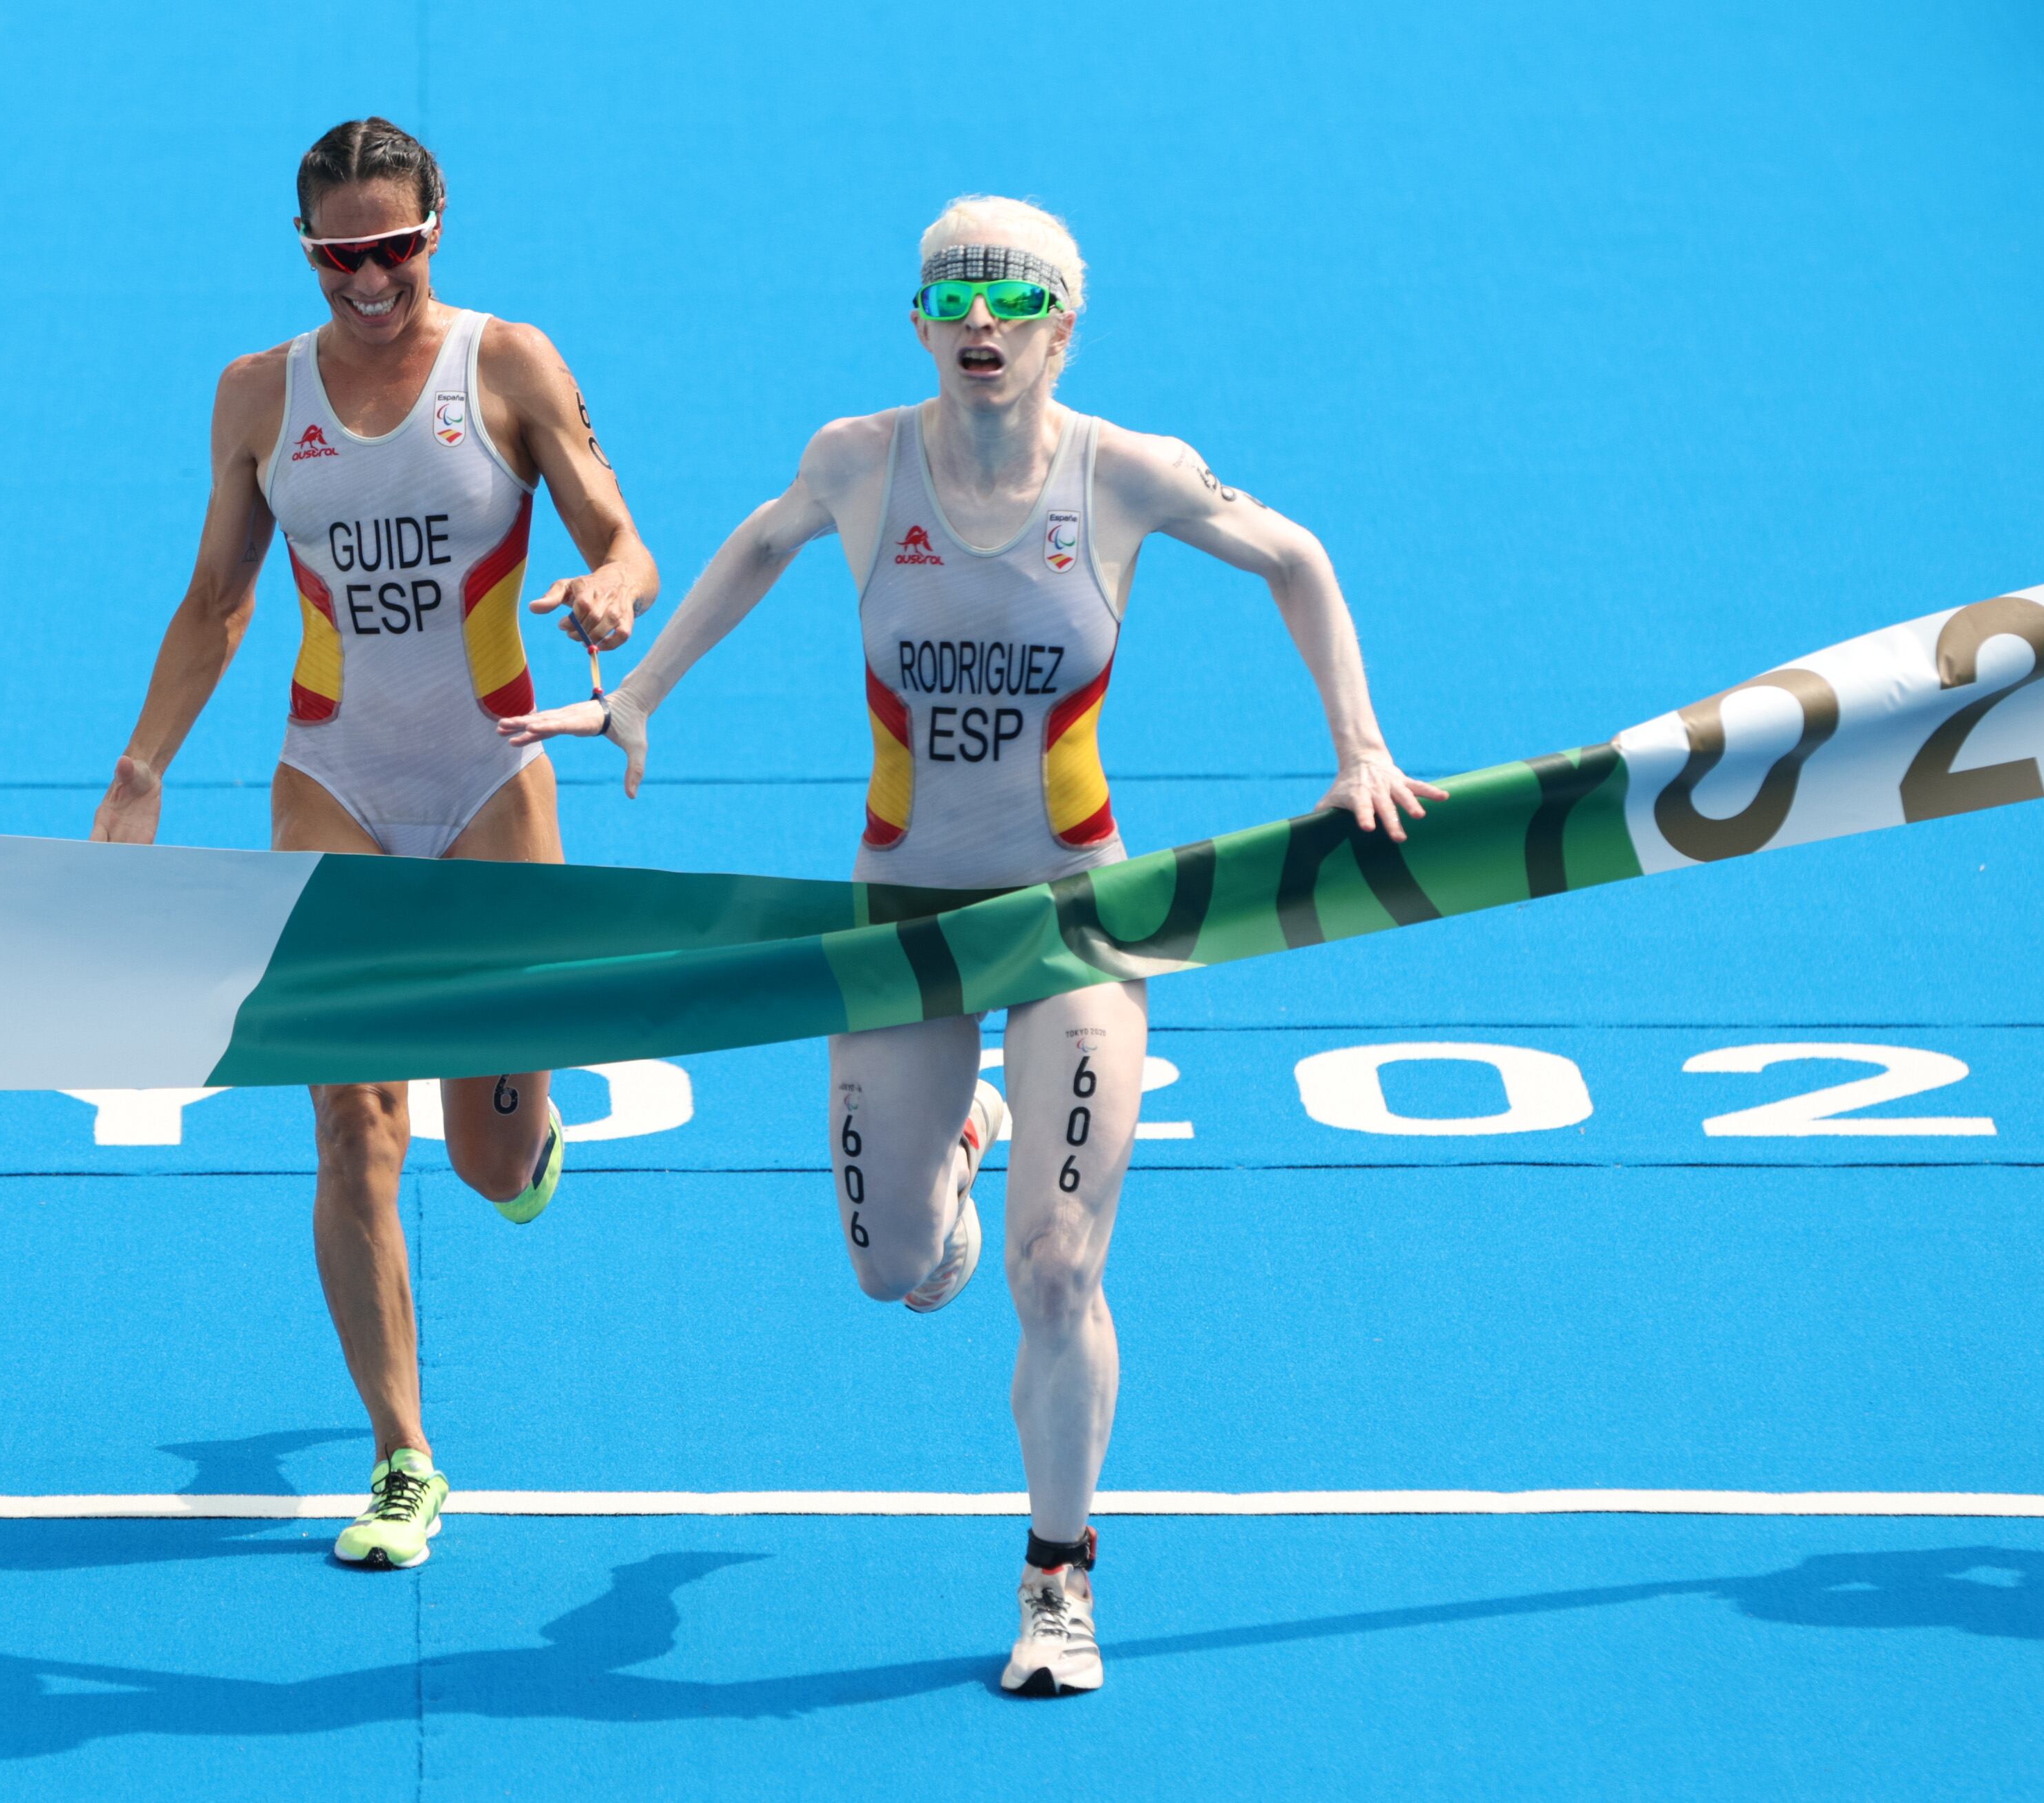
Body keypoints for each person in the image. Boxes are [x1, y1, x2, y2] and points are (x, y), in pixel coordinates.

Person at [504, 196, 1440, 1693]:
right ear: (924, 323)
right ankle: (969, 1121)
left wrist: (1361, 747)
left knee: (1057, 1269)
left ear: (1063, 329)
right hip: (899, 917)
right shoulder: (859, 464)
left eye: (1016, 305)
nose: (984, 328)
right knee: (894, 1272)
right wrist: (640, 697)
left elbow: (1299, 560)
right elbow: (753, 549)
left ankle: (1059, 1584)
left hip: (1076, 918)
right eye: (957, 303)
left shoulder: (1126, 475)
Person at [94, 118, 658, 1569]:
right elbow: (217, 602)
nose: (370, 278)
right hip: (330, 775)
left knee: (483, 1160)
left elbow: (623, 541)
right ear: (305, 250)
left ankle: (525, 1147)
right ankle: (404, 1453)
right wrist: (142, 769)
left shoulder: (506, 366)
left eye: (394, 248)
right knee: (352, 1120)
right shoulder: (254, 398)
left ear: (438, 229)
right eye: (340, 254)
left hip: (493, 778)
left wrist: (607, 593)